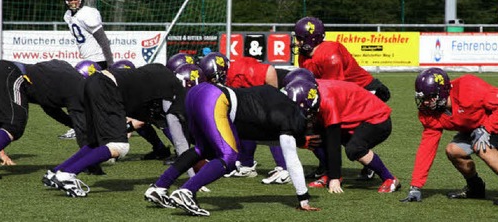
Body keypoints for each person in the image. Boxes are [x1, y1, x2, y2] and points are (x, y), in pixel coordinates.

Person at [144, 81, 320, 216]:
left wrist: (296, 139)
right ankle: (187, 192)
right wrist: (303, 198)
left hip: (198, 94)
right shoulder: (289, 113)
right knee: (229, 157)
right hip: (216, 99)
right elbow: (291, 159)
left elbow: (259, 133)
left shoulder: (274, 97)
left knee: (202, 149)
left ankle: (159, 187)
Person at [47, 63, 194, 197]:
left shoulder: (157, 78)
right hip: (107, 87)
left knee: (98, 143)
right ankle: (67, 174)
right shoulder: (175, 91)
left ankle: (56, 172)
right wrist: (193, 179)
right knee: (120, 147)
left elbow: (138, 122)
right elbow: (179, 140)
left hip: (94, 82)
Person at [401, 68, 498, 206]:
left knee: (481, 146)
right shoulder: (429, 113)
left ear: (443, 91)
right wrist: (415, 186)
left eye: (430, 97)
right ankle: (476, 188)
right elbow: (427, 147)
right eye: (423, 98)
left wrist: (487, 128)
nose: (426, 103)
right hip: (479, 125)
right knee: (453, 150)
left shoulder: (468, 87)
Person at [0, 59, 88, 181]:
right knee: (14, 125)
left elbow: (50, 108)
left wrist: (70, 123)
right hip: (12, 74)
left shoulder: (62, 75)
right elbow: (82, 127)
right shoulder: (77, 87)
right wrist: (88, 160)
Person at [293, 16, 391, 182]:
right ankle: (329, 166)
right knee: (315, 128)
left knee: (343, 132)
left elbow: (335, 88)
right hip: (344, 92)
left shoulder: (330, 55)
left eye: (300, 39)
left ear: (312, 38)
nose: (296, 43)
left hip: (367, 90)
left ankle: (360, 164)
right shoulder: (304, 55)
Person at [285, 79, 400, 193]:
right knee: (313, 136)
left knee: (354, 149)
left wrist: (335, 178)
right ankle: (329, 173)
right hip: (352, 118)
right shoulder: (308, 89)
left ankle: (390, 179)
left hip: (377, 119)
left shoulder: (328, 102)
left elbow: (333, 142)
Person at [197, 53, 291, 184]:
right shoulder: (230, 73)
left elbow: (269, 71)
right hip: (260, 90)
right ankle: (247, 165)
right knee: (243, 122)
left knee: (273, 125)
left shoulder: (238, 71)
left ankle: (285, 169)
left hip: (286, 85)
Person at [63, 0, 113, 70]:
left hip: (99, 60)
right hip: (87, 60)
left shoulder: (87, 13)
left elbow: (103, 40)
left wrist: (110, 64)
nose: (73, 2)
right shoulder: (68, 16)